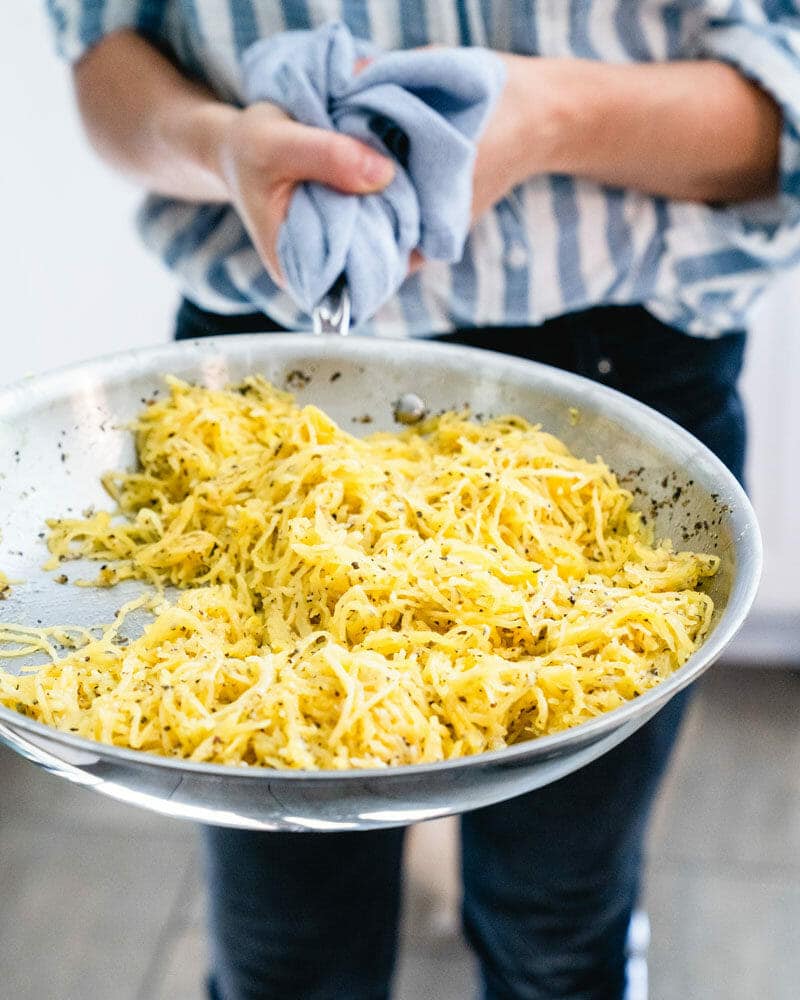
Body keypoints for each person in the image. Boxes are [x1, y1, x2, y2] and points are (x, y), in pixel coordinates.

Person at [46, 3, 800, 998]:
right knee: (286, 950)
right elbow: (106, 57)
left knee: (557, 919)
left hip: (622, 391)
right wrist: (220, 146)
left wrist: (548, 115)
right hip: (256, 398)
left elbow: (774, 114)